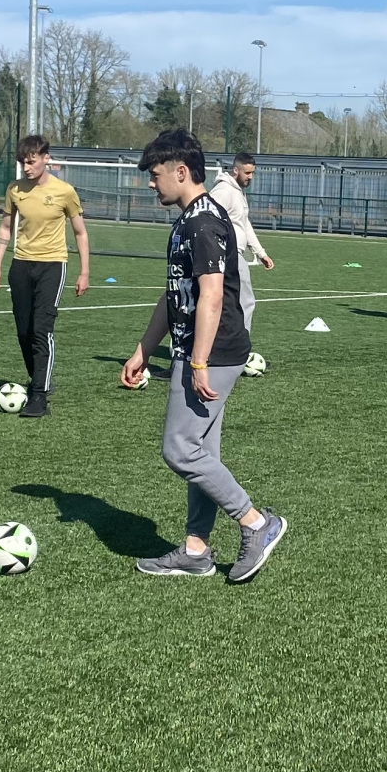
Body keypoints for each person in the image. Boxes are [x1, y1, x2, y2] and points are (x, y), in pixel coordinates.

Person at [122, 129, 287, 582]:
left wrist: (197, 362)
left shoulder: (203, 223)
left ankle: (256, 523)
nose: (150, 182)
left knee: (179, 449)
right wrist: (143, 350)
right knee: (201, 452)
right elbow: (174, 293)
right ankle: (196, 549)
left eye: (155, 174)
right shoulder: (188, 220)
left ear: (181, 172)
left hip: (213, 352)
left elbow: (212, 297)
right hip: (201, 349)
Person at [0, 135, 89, 418]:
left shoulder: (65, 192)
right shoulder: (15, 189)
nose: (26, 167)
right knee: (24, 331)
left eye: (31, 162)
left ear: (46, 159)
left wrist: (84, 271)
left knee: (41, 330)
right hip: (21, 265)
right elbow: (5, 227)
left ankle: (40, 397)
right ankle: (38, 379)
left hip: (52, 266)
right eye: (23, 162)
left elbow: (80, 232)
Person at [208, 151, 274, 333]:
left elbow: (244, 224)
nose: (250, 177)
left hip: (232, 254)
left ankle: (221, 342)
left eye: (252, 173)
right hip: (227, 255)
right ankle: (240, 344)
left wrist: (260, 253)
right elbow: (207, 218)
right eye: (247, 173)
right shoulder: (224, 191)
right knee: (245, 301)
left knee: (228, 302)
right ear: (236, 170)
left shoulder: (237, 191)